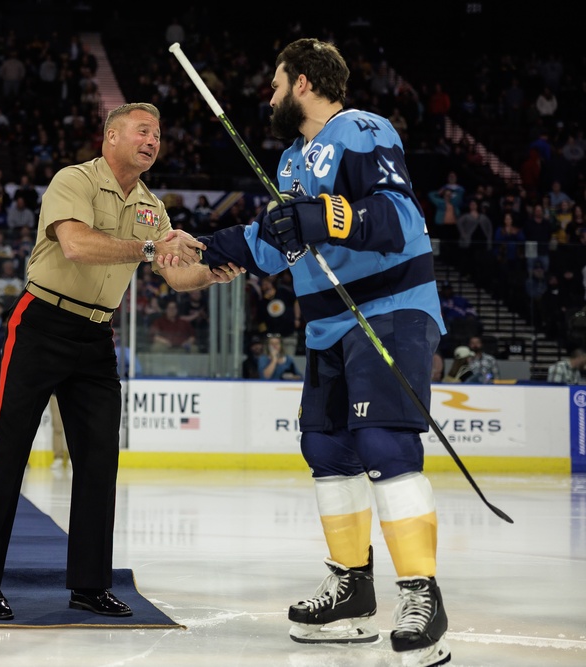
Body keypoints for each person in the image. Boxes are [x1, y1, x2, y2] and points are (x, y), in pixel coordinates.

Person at [195, 39, 451, 666]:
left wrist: (323, 217)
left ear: (303, 82)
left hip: (389, 308)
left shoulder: (362, 129)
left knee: (384, 443)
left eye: (277, 83)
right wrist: (199, 247)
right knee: (327, 450)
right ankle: (351, 588)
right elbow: (276, 240)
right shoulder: (288, 162)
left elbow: (393, 216)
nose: (271, 95)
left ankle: (422, 594)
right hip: (328, 325)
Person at [0, 101, 242, 622]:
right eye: (142, 131)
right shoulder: (75, 180)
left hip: (95, 336)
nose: (153, 140)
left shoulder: (151, 206)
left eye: (158, 134)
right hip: (40, 322)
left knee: (98, 463)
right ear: (111, 136)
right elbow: (75, 245)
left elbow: (174, 273)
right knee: (8, 452)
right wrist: (153, 247)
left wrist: (210, 275)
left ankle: (89, 585)